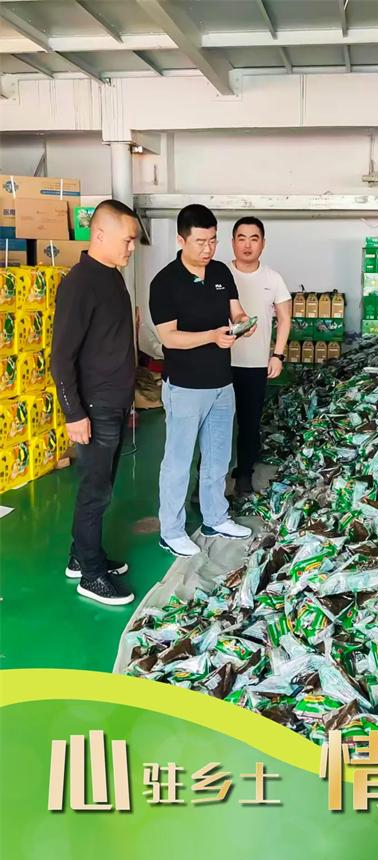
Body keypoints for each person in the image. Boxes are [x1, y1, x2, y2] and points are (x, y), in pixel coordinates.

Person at [149, 203, 255, 557]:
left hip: (222, 384)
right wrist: (211, 336)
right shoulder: (164, 283)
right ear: (181, 240)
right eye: (200, 242)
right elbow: (169, 338)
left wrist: (242, 323)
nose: (208, 249)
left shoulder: (221, 271)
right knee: (178, 463)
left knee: (218, 458)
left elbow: (235, 309)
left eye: (213, 241)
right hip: (184, 387)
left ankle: (215, 517)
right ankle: (171, 530)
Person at [51, 198, 139, 606]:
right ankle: (91, 575)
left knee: (102, 485)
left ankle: (81, 555)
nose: (132, 248)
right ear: (99, 234)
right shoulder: (80, 283)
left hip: (114, 401)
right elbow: (61, 357)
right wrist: (74, 413)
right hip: (95, 406)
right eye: (128, 240)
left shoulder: (112, 277)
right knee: (95, 491)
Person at [230, 216, 292, 495]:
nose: (247, 245)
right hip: (220, 363)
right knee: (214, 427)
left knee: (249, 424)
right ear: (233, 242)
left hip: (255, 365)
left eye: (253, 239)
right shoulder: (220, 274)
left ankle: (244, 474)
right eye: (241, 238)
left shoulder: (272, 278)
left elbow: (285, 318)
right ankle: (205, 480)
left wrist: (277, 355)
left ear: (263, 244)